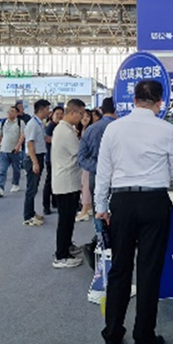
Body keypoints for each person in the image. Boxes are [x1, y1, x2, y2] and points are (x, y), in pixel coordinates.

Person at [95, 81, 173, 344]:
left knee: (120, 269)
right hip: (155, 201)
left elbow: (103, 171)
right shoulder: (167, 129)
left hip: (121, 201)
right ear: (160, 102)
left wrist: (100, 206)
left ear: (133, 100)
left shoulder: (114, 128)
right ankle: (143, 341)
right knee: (149, 271)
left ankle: (112, 338)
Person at [78, 97, 117, 267]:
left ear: (102, 110)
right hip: (120, 177)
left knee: (99, 211)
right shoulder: (121, 128)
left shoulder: (91, 129)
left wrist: (99, 168)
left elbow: (81, 158)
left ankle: (102, 247)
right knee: (118, 212)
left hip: (96, 176)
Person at [51, 99, 86, 268]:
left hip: (65, 180)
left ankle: (67, 246)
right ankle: (61, 255)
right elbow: (80, 154)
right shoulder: (66, 132)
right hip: (67, 182)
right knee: (65, 220)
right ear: (73, 112)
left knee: (68, 218)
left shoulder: (63, 129)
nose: (82, 117)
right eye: (81, 113)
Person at [23, 99, 51, 226]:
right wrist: (35, 162)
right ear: (41, 110)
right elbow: (30, 144)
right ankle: (28, 217)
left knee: (34, 188)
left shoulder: (39, 123)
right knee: (31, 188)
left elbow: (45, 138)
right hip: (33, 158)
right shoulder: (32, 124)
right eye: (47, 109)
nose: (48, 112)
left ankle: (32, 212)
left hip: (38, 156)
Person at [0, 105, 25, 197]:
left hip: (15, 151)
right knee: (2, 170)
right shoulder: (3, 123)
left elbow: (22, 136)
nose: (9, 113)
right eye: (9, 111)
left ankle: (15, 184)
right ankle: (0, 188)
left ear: (17, 113)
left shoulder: (20, 123)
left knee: (16, 169)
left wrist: (18, 146)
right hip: (4, 151)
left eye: (12, 111)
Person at [43, 105, 64, 215]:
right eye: (57, 114)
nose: (59, 116)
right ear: (52, 115)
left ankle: (55, 202)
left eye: (61, 114)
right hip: (51, 158)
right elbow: (47, 139)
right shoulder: (50, 126)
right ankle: (46, 206)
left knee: (57, 181)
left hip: (59, 158)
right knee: (49, 182)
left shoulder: (61, 126)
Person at [76, 109, 94, 221]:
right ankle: (89, 207)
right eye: (83, 116)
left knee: (86, 186)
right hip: (84, 162)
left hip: (88, 161)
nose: (85, 118)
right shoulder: (81, 130)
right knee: (84, 185)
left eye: (87, 116)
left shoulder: (89, 130)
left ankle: (84, 210)